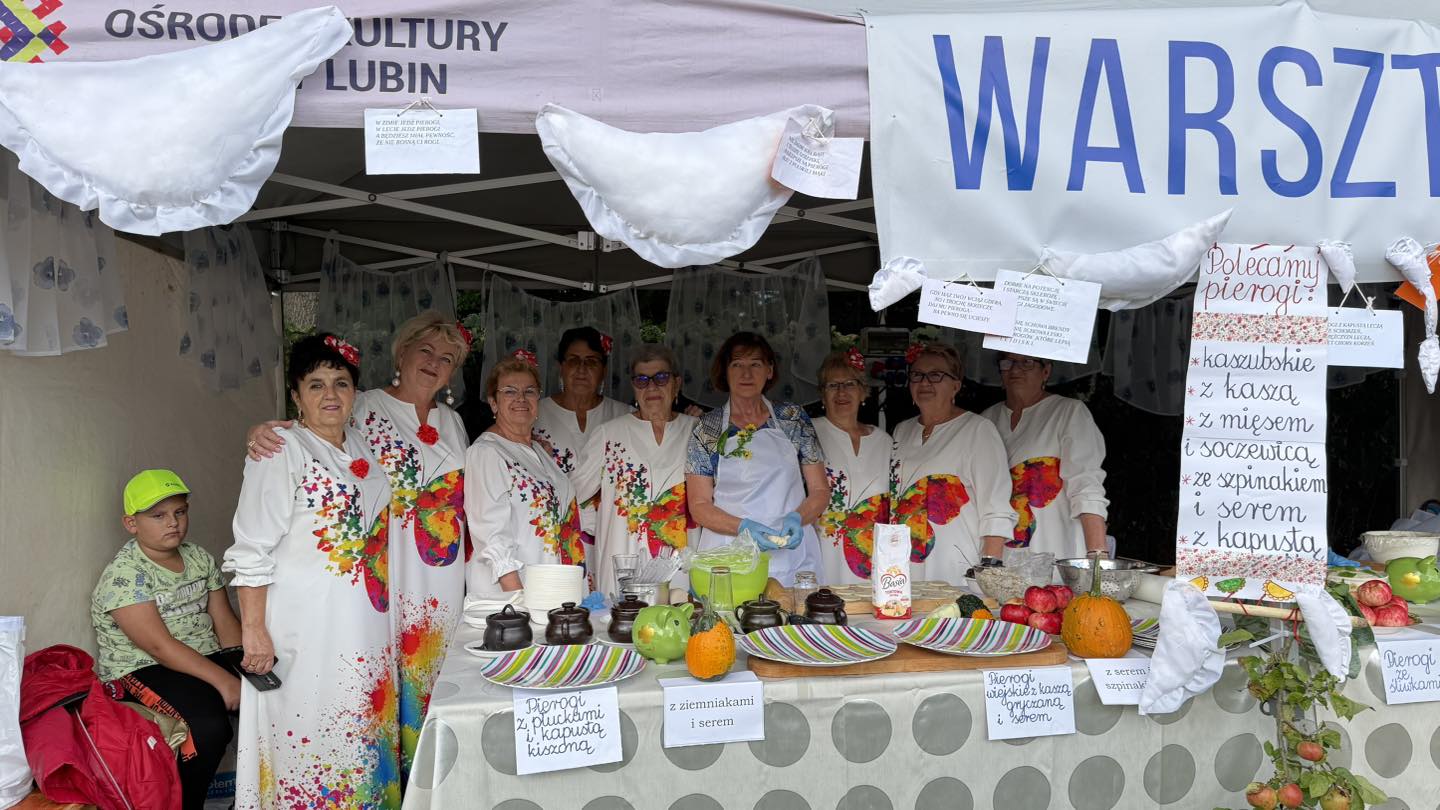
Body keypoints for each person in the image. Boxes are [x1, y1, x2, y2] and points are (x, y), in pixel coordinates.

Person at [244, 312, 470, 778]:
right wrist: (262, 433)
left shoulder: (452, 423)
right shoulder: (362, 406)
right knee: (343, 703)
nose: (434, 363)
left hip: (430, 588)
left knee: (396, 694)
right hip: (374, 587)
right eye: (426, 351)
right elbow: (310, 435)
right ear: (401, 353)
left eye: (447, 358)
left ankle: (425, 785)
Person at [224, 334, 398, 808]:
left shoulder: (361, 447)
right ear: (296, 395)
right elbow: (252, 547)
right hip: (306, 630)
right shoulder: (281, 449)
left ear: (355, 393)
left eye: (341, 382)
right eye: (316, 384)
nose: (330, 394)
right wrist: (253, 629)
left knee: (360, 730)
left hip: (365, 627)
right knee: (310, 731)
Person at [92, 469, 241, 810]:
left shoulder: (198, 557)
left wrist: (247, 665)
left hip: (201, 654)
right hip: (144, 666)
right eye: (158, 516)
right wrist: (225, 682)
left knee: (272, 699)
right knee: (208, 726)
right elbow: (159, 646)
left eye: (179, 512)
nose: (172, 522)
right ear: (131, 523)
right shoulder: (125, 575)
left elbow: (225, 624)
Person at [685, 332, 829, 586]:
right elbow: (699, 505)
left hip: (792, 555)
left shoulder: (792, 418)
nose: (746, 374)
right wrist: (743, 527)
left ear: (769, 370)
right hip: (729, 554)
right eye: (737, 364)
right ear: (725, 372)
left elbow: (819, 490)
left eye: (755, 364)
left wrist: (798, 518)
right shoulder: (707, 429)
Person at [572, 344, 698, 598]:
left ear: (676, 384)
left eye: (661, 378)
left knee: (682, 617)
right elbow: (571, 495)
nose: (651, 387)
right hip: (623, 566)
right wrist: (599, 525)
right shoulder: (609, 434)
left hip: (683, 567)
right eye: (642, 380)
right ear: (633, 387)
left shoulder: (696, 431)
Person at [890, 343, 1017, 584]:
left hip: (956, 567)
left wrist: (989, 569)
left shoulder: (977, 430)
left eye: (936, 375)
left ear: (956, 386)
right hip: (903, 568)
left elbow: (996, 506)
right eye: (917, 375)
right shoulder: (902, 431)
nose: (925, 382)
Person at [465, 350, 585, 597]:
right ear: (493, 402)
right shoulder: (487, 452)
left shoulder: (539, 451)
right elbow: (491, 535)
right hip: (513, 596)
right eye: (509, 391)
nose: (521, 398)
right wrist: (519, 598)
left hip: (550, 590)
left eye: (529, 391)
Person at [981, 351, 1110, 560]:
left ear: (1046, 371)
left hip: (1056, 549)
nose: (1015, 369)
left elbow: (1086, 487)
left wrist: (1098, 556)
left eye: (1027, 362)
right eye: (1008, 362)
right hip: (995, 553)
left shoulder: (1068, 412)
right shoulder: (985, 422)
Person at [533, 327, 632, 547]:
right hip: (551, 537)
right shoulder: (533, 415)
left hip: (613, 537)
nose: (581, 369)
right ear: (561, 366)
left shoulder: (626, 416)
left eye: (592, 361)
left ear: (604, 370)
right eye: (573, 360)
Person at [811, 348, 892, 585]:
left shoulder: (885, 442)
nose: (841, 392)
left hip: (875, 560)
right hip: (820, 556)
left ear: (863, 391)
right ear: (822, 395)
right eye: (832, 385)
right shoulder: (808, 433)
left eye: (849, 384)